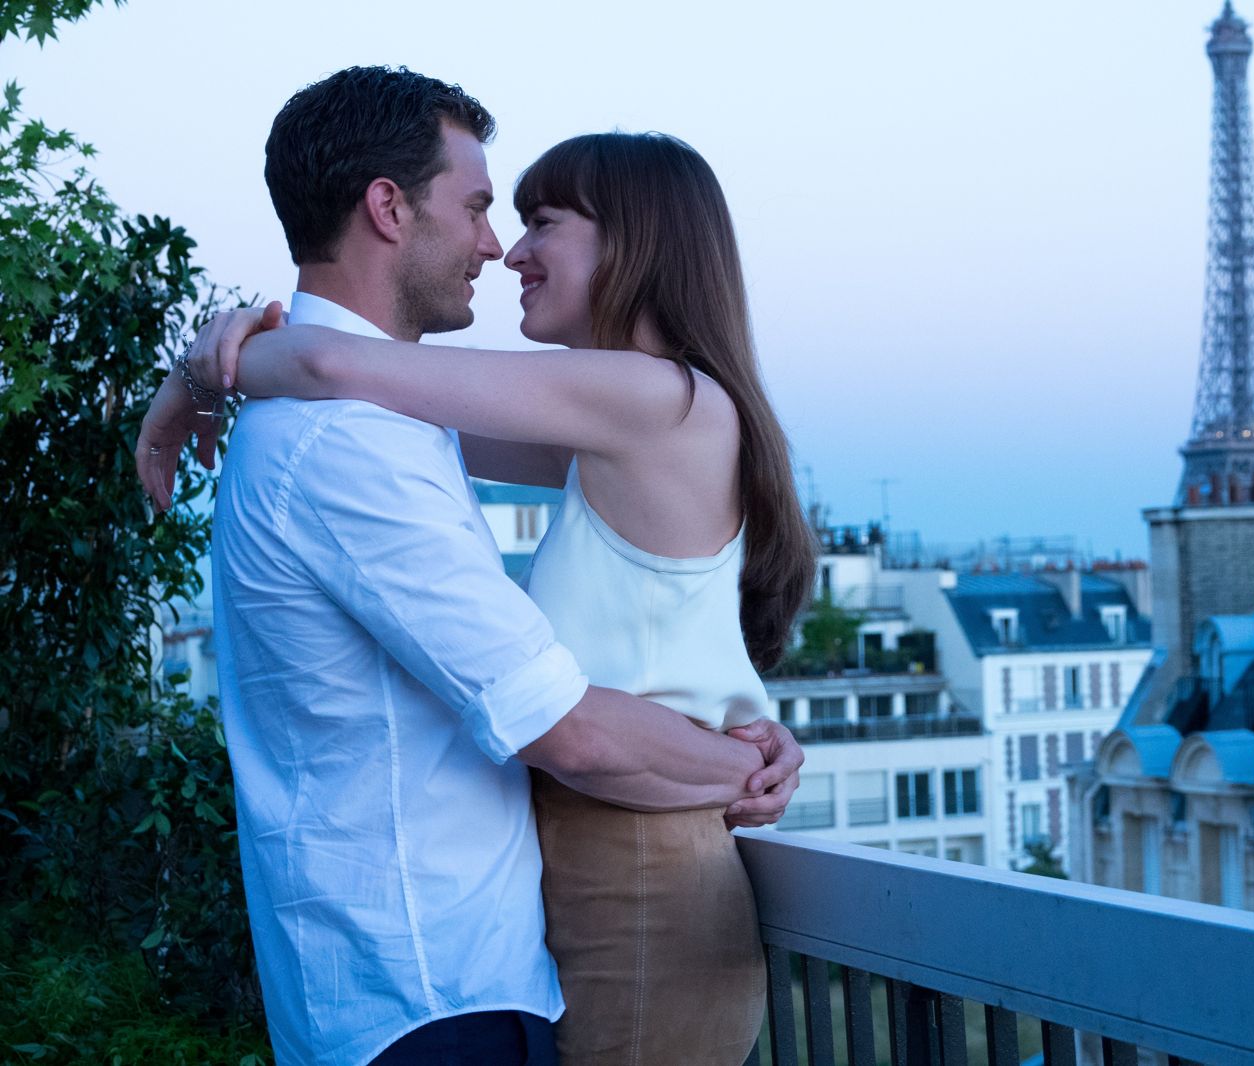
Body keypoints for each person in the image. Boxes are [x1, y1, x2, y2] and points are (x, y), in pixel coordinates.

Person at [136, 68, 804, 1066]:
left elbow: (329, 364)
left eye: (538, 222)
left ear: (634, 243)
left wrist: (207, 371)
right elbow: (563, 727)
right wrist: (742, 759)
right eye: (485, 208)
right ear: (388, 208)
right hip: (431, 982)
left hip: (518, 935)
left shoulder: (631, 401)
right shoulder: (357, 440)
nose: (501, 247)